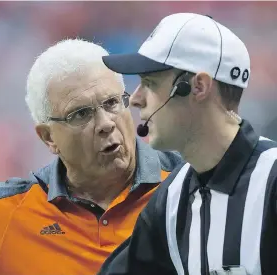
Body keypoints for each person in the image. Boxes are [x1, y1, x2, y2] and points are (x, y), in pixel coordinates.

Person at [0, 39, 182, 275]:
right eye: (80, 114)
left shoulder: (189, 186)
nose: (105, 124)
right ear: (48, 137)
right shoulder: (3, 214)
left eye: (112, 102)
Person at [98, 13, 277, 275]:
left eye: (150, 83)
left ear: (198, 86)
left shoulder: (270, 181)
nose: (135, 99)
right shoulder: (171, 200)